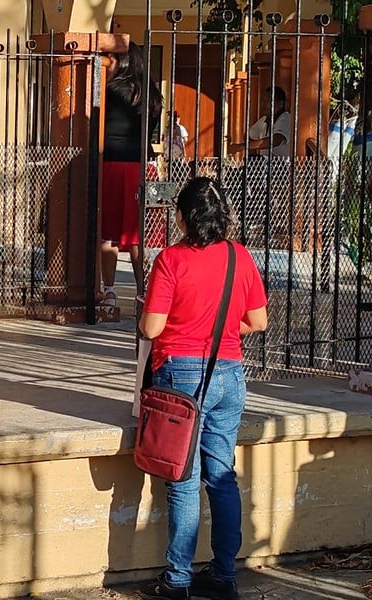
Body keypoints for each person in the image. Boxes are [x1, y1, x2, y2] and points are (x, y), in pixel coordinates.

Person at [137, 177, 268, 600]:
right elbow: (258, 321)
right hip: (230, 374)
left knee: (183, 480)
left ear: (183, 216)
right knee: (222, 477)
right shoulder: (239, 257)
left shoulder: (171, 260)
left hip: (182, 377)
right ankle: (224, 576)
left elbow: (150, 327)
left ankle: (178, 580)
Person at [100, 42, 163, 306]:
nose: (107, 62)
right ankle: (143, 290)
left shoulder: (109, 91)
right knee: (138, 236)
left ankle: (110, 290)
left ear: (123, 61)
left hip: (111, 166)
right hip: (140, 167)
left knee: (108, 233)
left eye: (111, 58)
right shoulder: (152, 95)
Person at [248, 85, 291, 157]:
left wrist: (243, 146)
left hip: (282, 166)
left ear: (281, 103)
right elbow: (250, 135)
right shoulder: (264, 119)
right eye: (263, 101)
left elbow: (276, 140)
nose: (264, 104)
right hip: (265, 164)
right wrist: (253, 156)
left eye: (268, 101)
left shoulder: (285, 119)